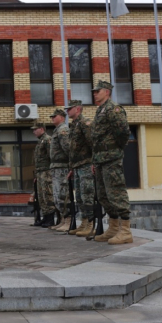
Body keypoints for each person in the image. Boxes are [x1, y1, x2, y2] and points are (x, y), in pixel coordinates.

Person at [91, 80, 132, 244]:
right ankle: (114, 228)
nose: (94, 94)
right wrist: (95, 160)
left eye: (97, 91)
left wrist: (116, 150)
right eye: (94, 91)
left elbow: (123, 132)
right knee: (103, 195)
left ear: (106, 92)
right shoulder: (100, 110)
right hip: (100, 159)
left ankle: (126, 231)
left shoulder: (113, 109)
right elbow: (96, 139)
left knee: (116, 192)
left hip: (111, 158)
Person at [65, 100, 95, 237]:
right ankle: (84, 222)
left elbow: (92, 143)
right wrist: (71, 167)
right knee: (80, 196)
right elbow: (72, 149)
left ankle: (91, 223)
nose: (67, 111)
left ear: (77, 109)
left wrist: (94, 162)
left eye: (69, 108)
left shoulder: (84, 123)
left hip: (86, 164)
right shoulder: (74, 125)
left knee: (87, 194)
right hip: (77, 166)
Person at [49, 108, 71, 232]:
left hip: (62, 167)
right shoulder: (57, 130)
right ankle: (63, 220)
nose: (52, 118)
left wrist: (70, 165)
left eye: (54, 116)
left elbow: (68, 148)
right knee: (57, 196)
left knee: (63, 194)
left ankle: (68, 221)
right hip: (56, 167)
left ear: (62, 117)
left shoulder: (63, 130)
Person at [31, 122, 56, 228]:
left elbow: (51, 156)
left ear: (42, 129)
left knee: (47, 195)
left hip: (47, 171)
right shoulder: (40, 141)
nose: (33, 131)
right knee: (41, 196)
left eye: (35, 129)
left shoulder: (47, 140)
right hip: (40, 172)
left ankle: (50, 219)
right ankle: (45, 217)